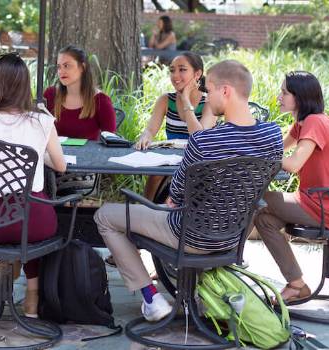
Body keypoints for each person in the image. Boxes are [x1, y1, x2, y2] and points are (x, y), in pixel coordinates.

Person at [94, 60, 283, 322]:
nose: (207, 95)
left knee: (105, 215)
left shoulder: (204, 141)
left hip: (190, 236)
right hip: (232, 238)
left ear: (225, 91)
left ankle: (151, 298)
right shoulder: (273, 135)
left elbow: (175, 198)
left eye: (211, 89)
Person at [0, 52, 67, 318]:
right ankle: (33, 294)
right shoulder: (41, 120)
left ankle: (5, 287)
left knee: (17, 207)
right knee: (33, 205)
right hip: (32, 224)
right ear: (25, 83)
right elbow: (60, 166)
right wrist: (36, 150)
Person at [254, 71, 329, 303]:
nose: (279, 97)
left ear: (300, 96)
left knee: (256, 198)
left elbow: (292, 164)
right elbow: (278, 149)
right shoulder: (303, 124)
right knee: (264, 220)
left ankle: (223, 259)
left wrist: (255, 152)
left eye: (284, 92)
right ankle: (297, 285)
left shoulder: (315, 122)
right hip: (320, 201)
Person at [134, 52, 212, 202]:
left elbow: (199, 138)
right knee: (156, 173)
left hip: (198, 162)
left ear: (197, 74)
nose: (175, 75)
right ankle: (145, 207)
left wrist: (185, 100)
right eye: (172, 70)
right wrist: (145, 137)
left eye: (182, 70)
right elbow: (150, 130)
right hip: (171, 159)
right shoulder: (165, 100)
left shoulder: (209, 103)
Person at [44, 45, 116, 141]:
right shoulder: (50, 95)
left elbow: (110, 140)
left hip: (88, 155)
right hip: (53, 155)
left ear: (82, 67)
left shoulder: (101, 101)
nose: (61, 71)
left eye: (66, 66)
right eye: (59, 67)